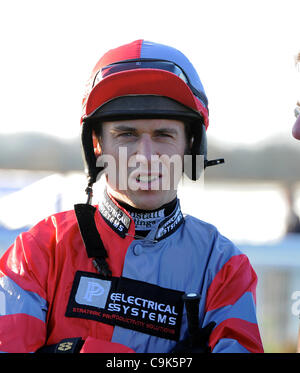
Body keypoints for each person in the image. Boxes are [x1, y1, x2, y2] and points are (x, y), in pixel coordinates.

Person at [0, 40, 263, 353]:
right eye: (127, 135)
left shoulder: (225, 267)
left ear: (190, 146)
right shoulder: (37, 252)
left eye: (164, 135)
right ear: (97, 145)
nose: (146, 156)